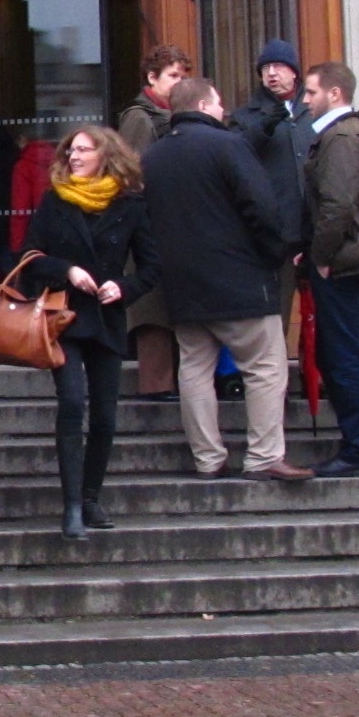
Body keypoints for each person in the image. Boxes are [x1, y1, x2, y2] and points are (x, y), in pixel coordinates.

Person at [142, 80, 312, 483]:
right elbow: (262, 207)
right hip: (240, 280)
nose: (224, 110)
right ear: (203, 105)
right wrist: (273, 254)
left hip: (181, 283)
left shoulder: (152, 157)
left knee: (194, 369)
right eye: (219, 103)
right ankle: (264, 456)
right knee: (265, 367)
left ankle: (207, 458)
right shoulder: (229, 145)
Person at [19, 128, 160, 539]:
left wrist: (124, 287)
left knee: (105, 415)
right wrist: (66, 270)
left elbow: (151, 266)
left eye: (83, 150)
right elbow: (29, 257)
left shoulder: (130, 205)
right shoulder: (56, 200)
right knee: (71, 402)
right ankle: (72, 507)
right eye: (71, 150)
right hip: (64, 318)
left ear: (105, 155)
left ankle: (91, 495)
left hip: (107, 319)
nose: (74, 156)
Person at [300, 61, 359, 477]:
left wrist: (320, 256)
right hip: (349, 257)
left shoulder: (341, 137)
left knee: (341, 355)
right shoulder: (348, 133)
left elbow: (337, 205)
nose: (305, 100)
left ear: (334, 93)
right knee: (337, 352)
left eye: (311, 92)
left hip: (343, 261)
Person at [117, 44, 192, 400]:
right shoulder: (139, 117)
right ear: (152, 78)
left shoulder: (174, 116)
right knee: (152, 308)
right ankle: (157, 382)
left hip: (170, 224)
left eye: (183, 76)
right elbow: (132, 174)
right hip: (149, 224)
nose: (179, 82)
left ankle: (168, 380)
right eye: (172, 75)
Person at [229, 39, 310, 330]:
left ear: (294, 72)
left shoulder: (313, 108)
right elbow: (232, 157)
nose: (271, 73)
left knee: (327, 319)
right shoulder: (245, 117)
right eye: (265, 68)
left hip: (318, 232)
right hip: (277, 236)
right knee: (276, 320)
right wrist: (262, 129)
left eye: (278, 66)